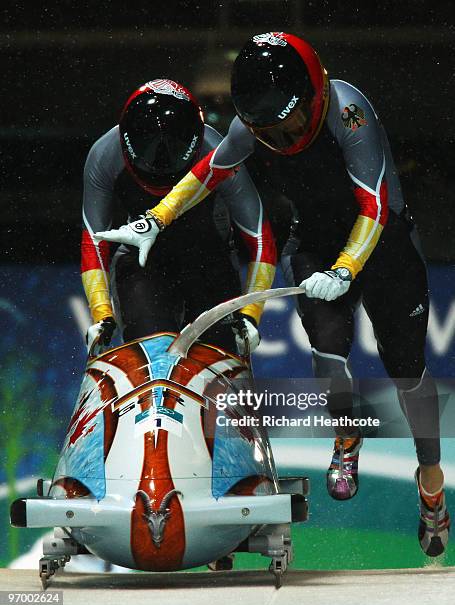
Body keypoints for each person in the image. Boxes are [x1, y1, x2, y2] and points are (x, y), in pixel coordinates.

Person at [98, 35, 450, 557]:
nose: (283, 139)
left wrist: (348, 268)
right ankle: (348, 435)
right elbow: (208, 172)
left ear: (316, 97)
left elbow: (374, 207)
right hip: (315, 243)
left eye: (291, 125)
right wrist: (157, 217)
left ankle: (431, 481)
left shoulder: (351, 115)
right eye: (269, 132)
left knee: (408, 371)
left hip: (384, 244)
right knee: (328, 344)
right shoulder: (253, 128)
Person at [82, 78, 276, 359]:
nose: (160, 160)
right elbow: (93, 241)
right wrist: (102, 314)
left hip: (210, 263)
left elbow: (260, 238)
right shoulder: (103, 156)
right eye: (149, 147)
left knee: (214, 357)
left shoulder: (218, 150)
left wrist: (249, 315)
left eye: (173, 148)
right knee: (153, 354)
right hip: (143, 266)